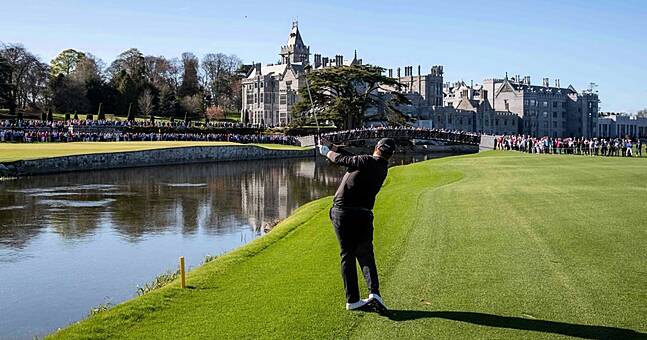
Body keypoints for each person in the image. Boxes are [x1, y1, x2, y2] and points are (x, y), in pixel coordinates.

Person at [318, 138, 395, 313]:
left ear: (376, 148)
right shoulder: (381, 168)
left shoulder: (366, 161)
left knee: (347, 255)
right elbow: (354, 158)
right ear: (390, 155)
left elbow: (342, 160)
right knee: (366, 253)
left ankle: (352, 300)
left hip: (343, 212)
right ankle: (374, 293)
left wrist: (326, 152)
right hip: (364, 214)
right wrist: (332, 146)